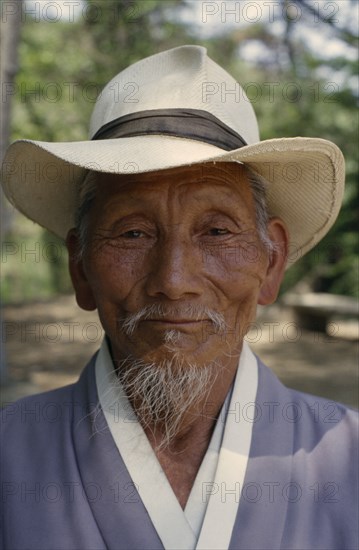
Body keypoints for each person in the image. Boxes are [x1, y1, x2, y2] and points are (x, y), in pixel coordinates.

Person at [1, 45, 357, 550]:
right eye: (131, 234)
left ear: (271, 262)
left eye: (215, 231)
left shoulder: (349, 458)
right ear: (80, 266)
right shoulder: (10, 454)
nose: (173, 279)